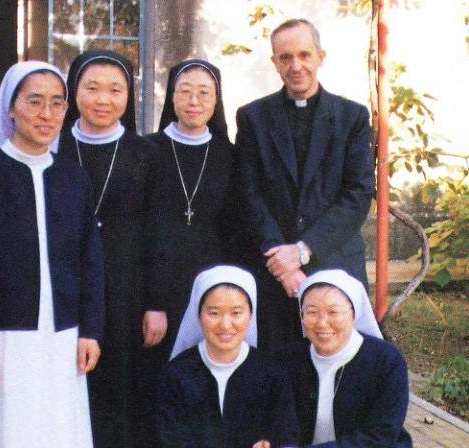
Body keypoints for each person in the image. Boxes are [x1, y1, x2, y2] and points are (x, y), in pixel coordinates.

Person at [0, 60, 104, 447]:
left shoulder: (73, 177)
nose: (46, 114)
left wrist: (91, 331)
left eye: (57, 103)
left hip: (64, 336)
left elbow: (90, 259)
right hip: (5, 336)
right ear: (11, 107)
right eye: (34, 101)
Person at [234, 18, 376, 350]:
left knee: (338, 369)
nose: (296, 66)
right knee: (278, 368)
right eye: (285, 58)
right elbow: (248, 193)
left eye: (304, 55)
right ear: (274, 63)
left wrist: (302, 250)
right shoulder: (253, 117)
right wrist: (283, 265)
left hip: (334, 261)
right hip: (274, 270)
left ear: (320, 57)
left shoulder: (352, 117)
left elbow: (358, 194)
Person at [57, 49, 156, 448]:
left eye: (116, 90)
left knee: (119, 388)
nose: (103, 99)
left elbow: (155, 234)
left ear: (128, 97)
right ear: (73, 91)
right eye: (92, 88)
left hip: (127, 287)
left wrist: (156, 302)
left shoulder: (146, 153)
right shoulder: (53, 148)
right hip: (65, 283)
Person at [139, 59, 236, 445]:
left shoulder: (230, 156)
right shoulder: (146, 150)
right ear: (171, 97)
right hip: (158, 293)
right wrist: (152, 300)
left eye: (204, 92)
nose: (193, 100)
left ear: (216, 101)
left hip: (211, 292)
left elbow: (235, 232)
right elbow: (138, 233)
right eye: (184, 91)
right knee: (155, 384)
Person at [157, 265, 300, 448]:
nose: (225, 325)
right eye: (214, 313)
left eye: (236, 313)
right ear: (198, 314)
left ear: (250, 314)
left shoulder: (272, 373)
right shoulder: (176, 374)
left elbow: (287, 438)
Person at [275, 269, 412, 447]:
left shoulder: (386, 361)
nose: (322, 323)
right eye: (312, 312)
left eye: (333, 312)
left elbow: (380, 436)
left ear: (354, 314)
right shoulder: (285, 359)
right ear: (301, 315)